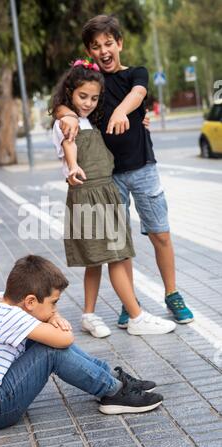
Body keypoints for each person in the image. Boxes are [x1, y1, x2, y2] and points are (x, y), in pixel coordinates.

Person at [56, 14, 194, 328]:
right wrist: (66, 116)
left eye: (108, 43)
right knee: (120, 245)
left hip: (143, 167)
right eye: (96, 46)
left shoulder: (136, 74)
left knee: (160, 233)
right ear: (89, 52)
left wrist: (122, 111)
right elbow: (63, 101)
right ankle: (128, 303)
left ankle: (172, 294)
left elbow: (139, 94)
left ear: (119, 43)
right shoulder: (93, 86)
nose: (104, 50)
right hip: (108, 177)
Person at [0, 255, 164, 431]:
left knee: (45, 341)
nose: (55, 309)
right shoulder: (12, 318)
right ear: (30, 302)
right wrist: (54, 321)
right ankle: (113, 392)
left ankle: (113, 378)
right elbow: (66, 339)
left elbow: (46, 320)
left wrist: (51, 316)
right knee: (52, 350)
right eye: (53, 303)